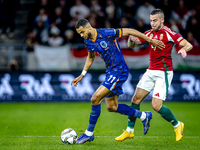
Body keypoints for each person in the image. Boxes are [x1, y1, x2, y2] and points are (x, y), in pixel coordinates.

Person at [71, 18, 165, 144]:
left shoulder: (106, 33)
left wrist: (149, 40)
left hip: (119, 71)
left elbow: (129, 31)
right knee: (112, 107)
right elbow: (90, 56)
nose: (81, 35)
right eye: (79, 33)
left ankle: (89, 133)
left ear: (88, 27)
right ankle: (144, 116)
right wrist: (82, 74)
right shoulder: (88, 41)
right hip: (110, 72)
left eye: (82, 32)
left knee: (95, 98)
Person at [115, 8, 193, 142]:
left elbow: (188, 44)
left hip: (163, 73)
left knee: (156, 106)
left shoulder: (169, 33)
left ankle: (177, 124)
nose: (152, 23)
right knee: (135, 99)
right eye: (151, 21)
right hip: (150, 71)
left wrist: (183, 50)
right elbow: (132, 45)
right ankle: (129, 131)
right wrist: (131, 40)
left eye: (155, 21)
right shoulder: (149, 33)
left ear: (162, 20)